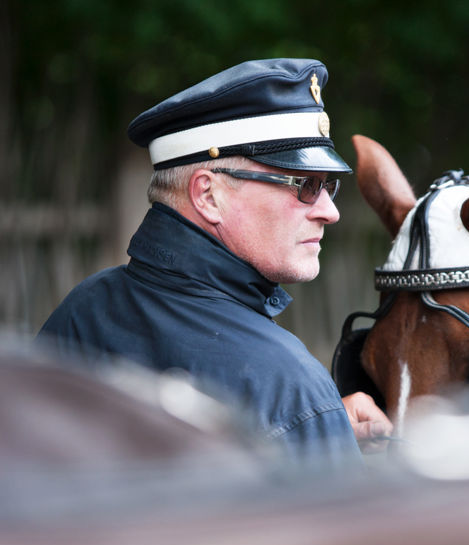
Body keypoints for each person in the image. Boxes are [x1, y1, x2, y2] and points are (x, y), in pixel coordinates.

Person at [37, 58, 392, 465]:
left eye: (329, 186)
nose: (330, 211)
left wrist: (307, 433)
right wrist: (308, 425)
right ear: (208, 196)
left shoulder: (82, 312)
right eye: (306, 185)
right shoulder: (289, 386)